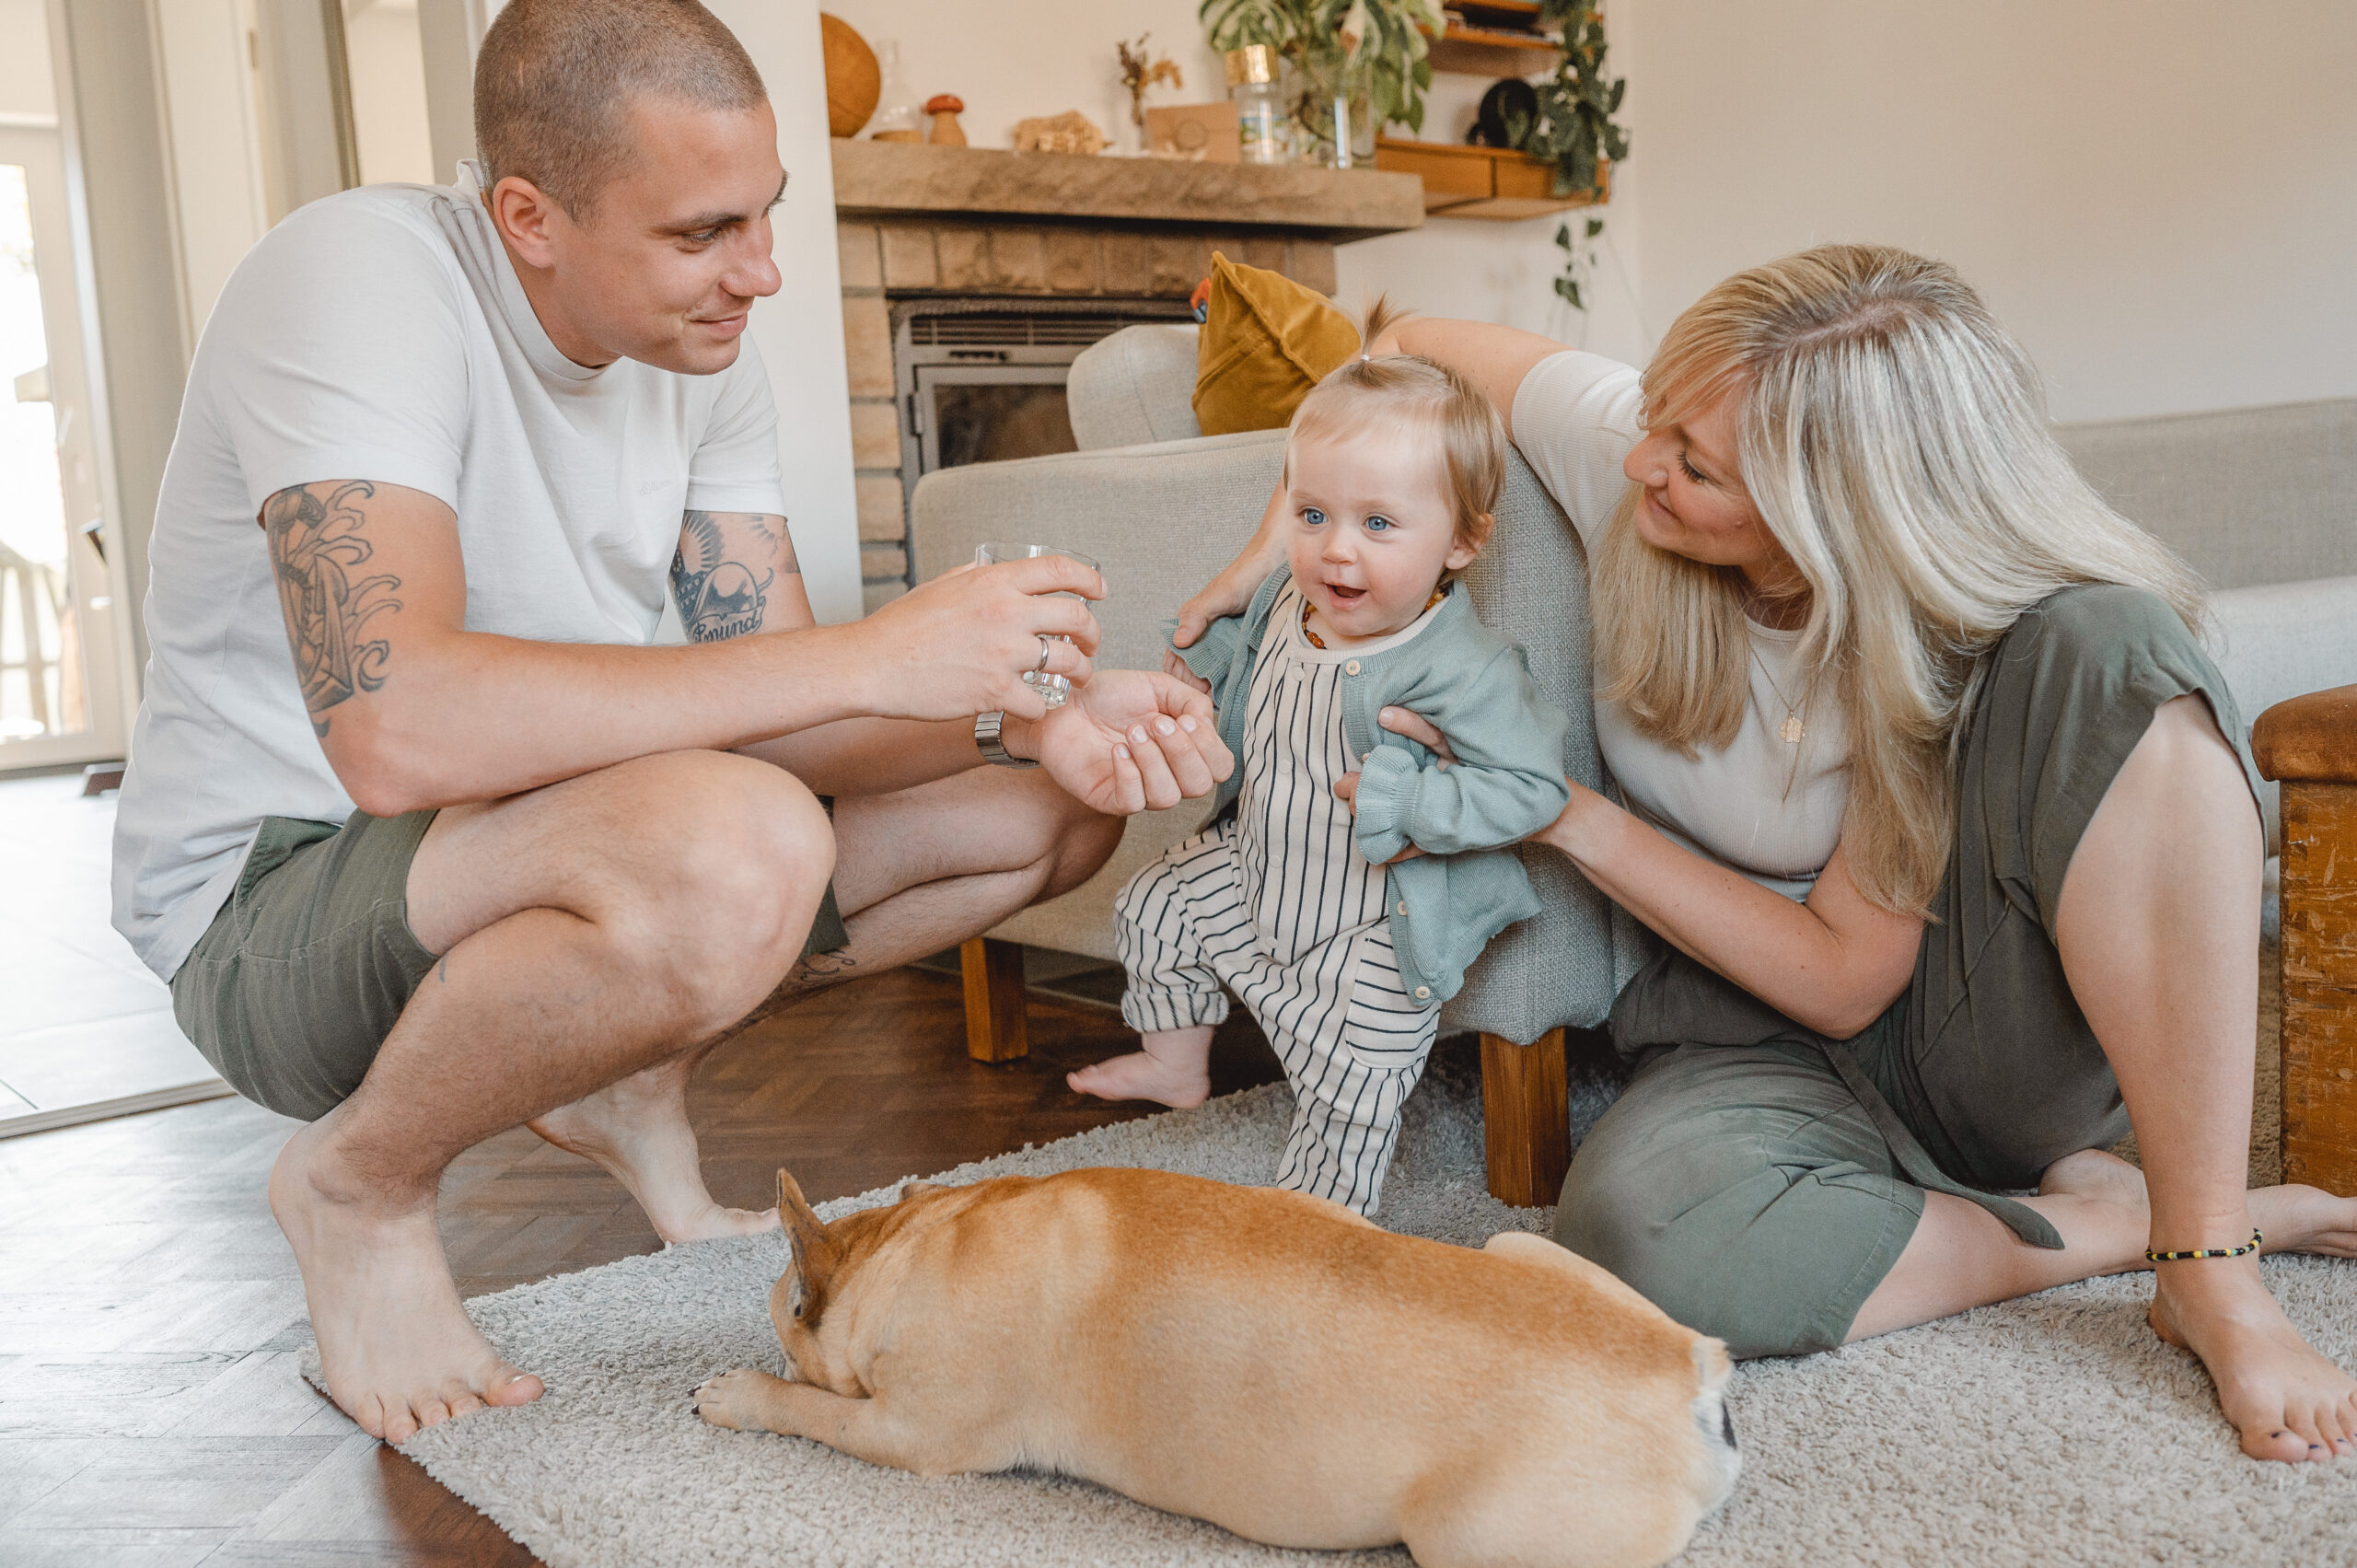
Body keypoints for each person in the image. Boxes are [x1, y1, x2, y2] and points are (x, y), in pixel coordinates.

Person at [110, 0, 1230, 1446]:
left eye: (765, 217)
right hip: (271, 900)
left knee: (1051, 804)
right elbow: (398, 733)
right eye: (703, 232)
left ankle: (627, 1063)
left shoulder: (702, 352)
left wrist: (1032, 717)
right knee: (733, 839)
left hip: (522, 850)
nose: (758, 274)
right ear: (529, 215)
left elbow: (798, 709)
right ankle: (361, 1180)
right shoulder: (355, 283)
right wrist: (874, 651)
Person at [1174, 245, 2357, 1462]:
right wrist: (1289, 533)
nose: (1645, 461)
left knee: (2113, 643)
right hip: (1740, 1027)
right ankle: (2109, 1219)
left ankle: (2209, 1263)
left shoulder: (1952, 627)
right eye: (1658, 419)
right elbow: (1400, 335)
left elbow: (1848, 974)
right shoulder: (1627, 453)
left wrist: (1564, 812)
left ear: (1831, 516)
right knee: (1639, 1241)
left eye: (1696, 464)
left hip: (1977, 1019)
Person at [1068, 324, 1571, 1215]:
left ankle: (1318, 1219)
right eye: (1312, 516)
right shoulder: (1285, 598)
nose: (1336, 550)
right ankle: (1175, 1059)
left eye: (1377, 524)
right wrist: (1198, 673)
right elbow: (1242, 664)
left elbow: (1532, 789)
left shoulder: (1463, 667)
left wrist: (1413, 796)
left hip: (1375, 918)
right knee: (1154, 903)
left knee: (1356, 1078)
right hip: (1260, 868)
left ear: (1462, 540)